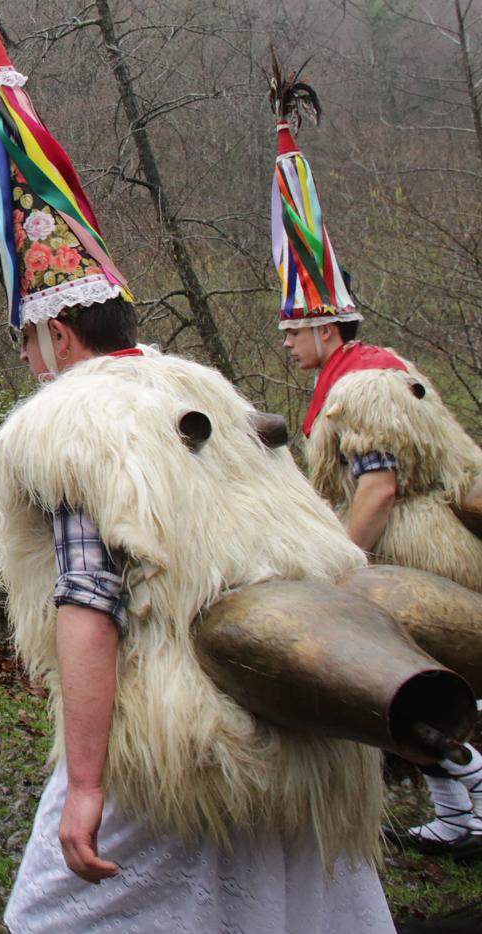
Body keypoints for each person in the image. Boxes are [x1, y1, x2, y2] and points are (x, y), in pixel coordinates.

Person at [0, 15, 394, 931]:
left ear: (53, 332)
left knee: (49, 918)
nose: (28, 362)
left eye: (27, 341)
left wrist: (85, 782)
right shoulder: (200, 388)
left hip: (179, 740)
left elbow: (89, 597)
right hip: (293, 709)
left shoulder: (70, 422)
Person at [270, 63, 482, 857]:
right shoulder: (378, 370)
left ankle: (471, 804)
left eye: (294, 330)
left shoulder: (362, 392)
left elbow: (379, 489)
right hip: (425, 561)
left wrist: (337, 566)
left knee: (417, 683)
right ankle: (462, 817)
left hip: (416, 565)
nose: (286, 342)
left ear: (327, 326)